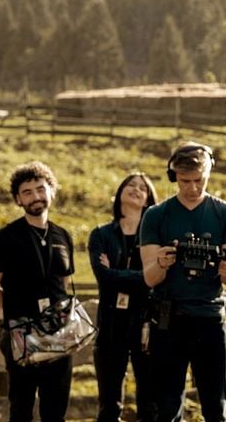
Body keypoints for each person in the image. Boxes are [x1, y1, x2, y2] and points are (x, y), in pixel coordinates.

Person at [139, 142, 226, 422]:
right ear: (173, 176)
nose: (193, 188)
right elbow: (149, 277)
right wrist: (161, 262)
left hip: (209, 317)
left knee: (215, 405)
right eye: (185, 181)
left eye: (199, 180)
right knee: (167, 405)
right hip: (169, 318)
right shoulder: (156, 215)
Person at [0, 161, 76, 422]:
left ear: (51, 192)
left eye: (40, 189)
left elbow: (63, 283)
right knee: (21, 407)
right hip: (21, 333)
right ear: (18, 200)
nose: (35, 196)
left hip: (59, 332)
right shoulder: (3, 240)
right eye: (27, 192)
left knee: (56, 409)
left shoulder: (63, 236)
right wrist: (16, 309)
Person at [88, 172, 159, 422]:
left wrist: (117, 273)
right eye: (131, 185)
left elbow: (156, 279)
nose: (136, 189)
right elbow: (103, 277)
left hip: (146, 323)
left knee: (150, 405)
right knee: (109, 405)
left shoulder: (155, 236)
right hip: (110, 323)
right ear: (119, 193)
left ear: (149, 199)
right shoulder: (101, 235)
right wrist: (143, 276)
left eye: (143, 188)